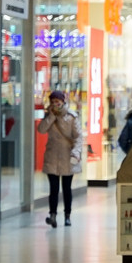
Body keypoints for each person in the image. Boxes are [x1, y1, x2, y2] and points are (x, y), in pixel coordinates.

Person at [38, 90, 83, 228]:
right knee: (53, 189)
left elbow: (78, 137)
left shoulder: (71, 117)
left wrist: (76, 153)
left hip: (67, 156)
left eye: (57, 101)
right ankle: (52, 215)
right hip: (52, 156)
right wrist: (51, 116)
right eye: (52, 101)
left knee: (66, 188)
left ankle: (67, 216)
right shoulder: (49, 116)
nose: (55, 104)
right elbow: (41, 130)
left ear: (63, 101)